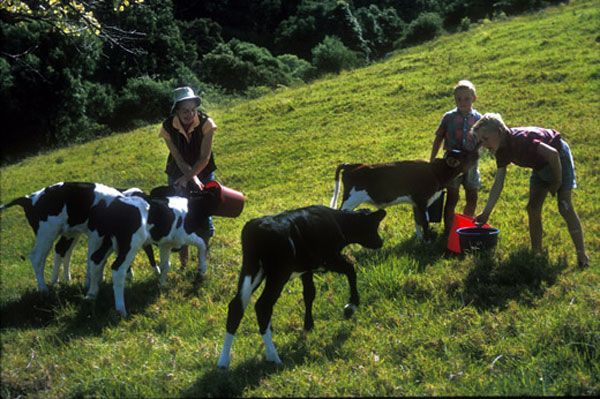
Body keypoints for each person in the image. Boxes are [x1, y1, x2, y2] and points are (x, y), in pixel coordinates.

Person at [472, 113, 589, 267]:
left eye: (485, 139)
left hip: (559, 159)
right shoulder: (500, 150)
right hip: (539, 166)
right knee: (532, 208)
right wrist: (486, 213)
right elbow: (498, 183)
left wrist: (557, 181)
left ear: (499, 132)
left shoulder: (522, 140)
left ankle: (582, 255)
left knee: (564, 205)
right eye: (481, 141)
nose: (484, 145)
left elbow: (553, 154)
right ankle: (536, 253)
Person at [159, 86, 217, 268]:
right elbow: (177, 157)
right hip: (178, 172)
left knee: (204, 213)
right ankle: (184, 263)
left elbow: (204, 157)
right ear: (176, 110)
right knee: (181, 215)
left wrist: (194, 177)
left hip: (204, 170)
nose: (189, 114)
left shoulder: (207, 123)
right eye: (184, 110)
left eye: (193, 110)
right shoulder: (167, 127)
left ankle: (203, 261)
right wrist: (190, 178)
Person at [429, 80, 482, 235]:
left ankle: (466, 226)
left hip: (470, 162)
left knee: (472, 194)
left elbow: (482, 140)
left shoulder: (479, 118)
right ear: (454, 100)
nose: (462, 102)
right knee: (452, 196)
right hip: (451, 162)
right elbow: (439, 137)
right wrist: (432, 159)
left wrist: (475, 155)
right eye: (458, 99)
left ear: (474, 98)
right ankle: (449, 230)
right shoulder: (449, 117)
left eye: (466, 98)